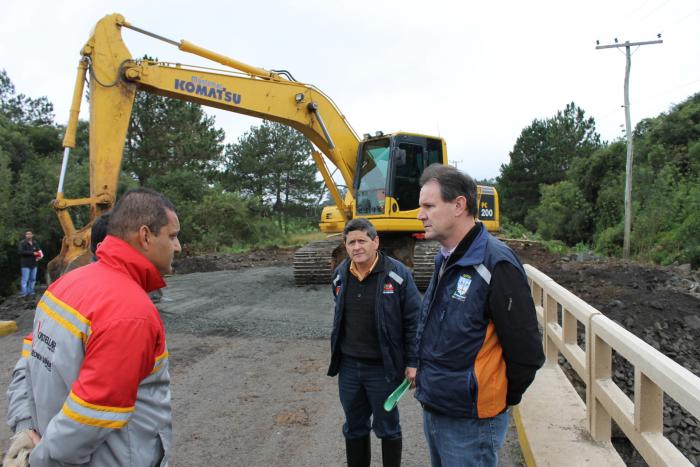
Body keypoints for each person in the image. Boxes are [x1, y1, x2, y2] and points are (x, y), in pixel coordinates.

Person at [4, 188, 181, 467]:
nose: (178, 246)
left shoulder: (63, 285)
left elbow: (27, 364)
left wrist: (25, 430)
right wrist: (40, 461)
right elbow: (91, 413)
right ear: (145, 236)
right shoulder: (131, 313)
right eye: (172, 236)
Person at [414, 164, 545, 467]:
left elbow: (527, 352)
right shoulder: (444, 258)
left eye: (429, 206)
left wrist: (498, 401)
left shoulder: (496, 264)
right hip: (436, 406)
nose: (420, 214)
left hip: (471, 422)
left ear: (459, 205)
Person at [327, 218, 421, 467]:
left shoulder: (398, 275)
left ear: (375, 241)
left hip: (384, 368)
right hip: (349, 367)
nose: (356, 247)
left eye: (362, 241)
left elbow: (414, 322)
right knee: (354, 427)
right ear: (345, 246)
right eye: (351, 242)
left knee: (387, 427)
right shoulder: (340, 275)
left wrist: (413, 362)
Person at [18, 231, 42, 297]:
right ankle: (24, 293)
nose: (28, 235)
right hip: (25, 264)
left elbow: (39, 251)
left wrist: (40, 256)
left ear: (32, 235)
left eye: (30, 234)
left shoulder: (35, 243)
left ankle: (31, 292)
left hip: (34, 264)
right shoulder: (22, 243)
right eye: (27, 234)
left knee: (33, 279)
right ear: (25, 235)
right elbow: (21, 252)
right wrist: (32, 253)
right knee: (25, 279)